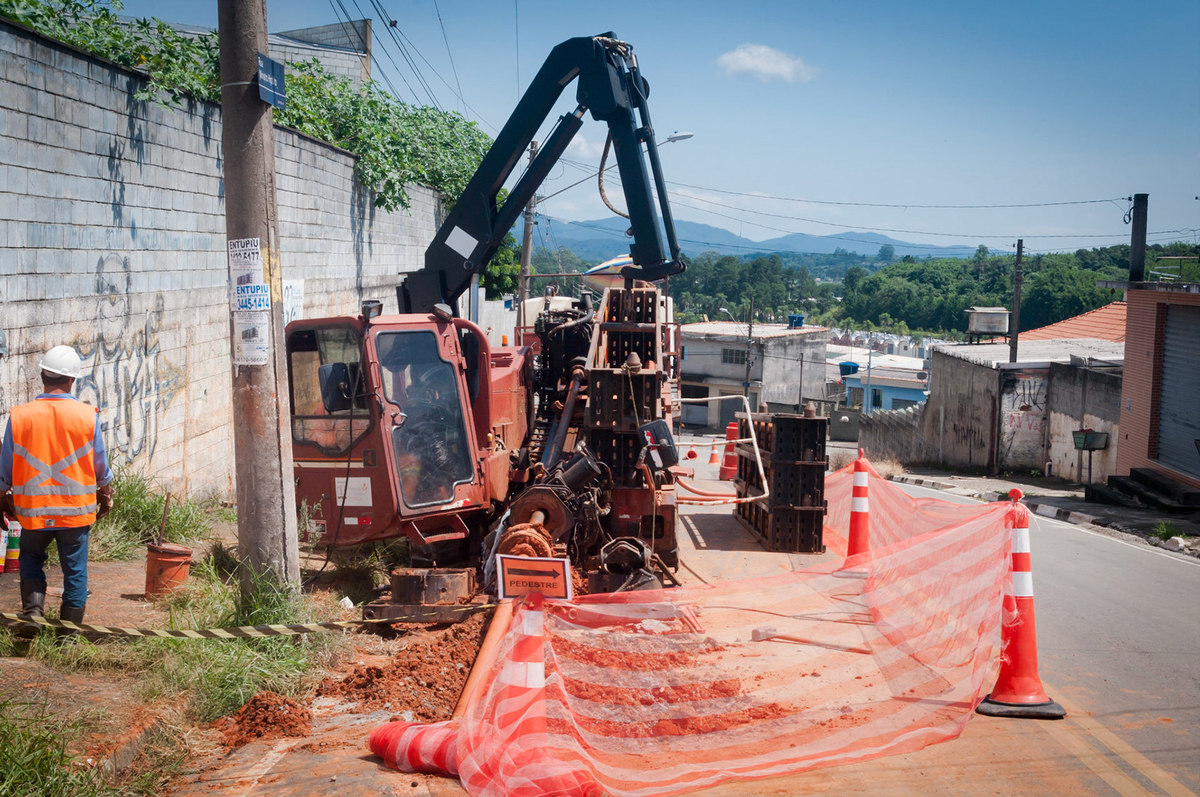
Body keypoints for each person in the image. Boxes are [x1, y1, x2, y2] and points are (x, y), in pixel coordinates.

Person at [0, 345, 113, 628]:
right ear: (72, 379)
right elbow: (100, 464)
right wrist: (106, 494)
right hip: (75, 513)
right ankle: (68, 635)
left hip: (34, 510)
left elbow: (6, 466)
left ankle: (33, 614)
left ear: (42, 376)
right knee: (75, 570)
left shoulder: (20, 415)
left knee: (30, 557)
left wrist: (1, 496)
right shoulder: (87, 415)